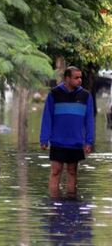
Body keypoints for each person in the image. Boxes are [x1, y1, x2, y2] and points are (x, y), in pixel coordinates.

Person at [40, 66, 95, 197]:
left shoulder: (85, 96)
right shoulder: (54, 94)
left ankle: (71, 202)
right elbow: (47, 118)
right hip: (58, 141)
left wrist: (89, 141)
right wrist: (44, 139)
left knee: (72, 171)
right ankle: (54, 203)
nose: (80, 80)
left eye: (80, 77)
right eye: (76, 78)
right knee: (55, 171)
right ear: (67, 78)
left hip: (75, 141)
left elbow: (89, 120)